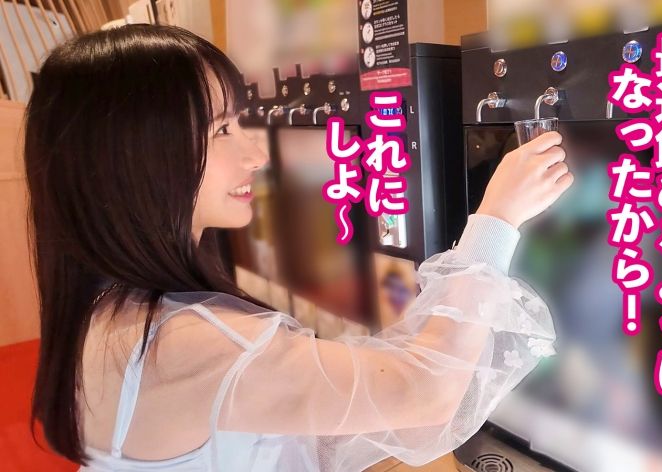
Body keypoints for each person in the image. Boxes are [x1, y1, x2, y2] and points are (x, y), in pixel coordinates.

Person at [24, 25, 574, 471]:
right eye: (221, 131)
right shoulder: (182, 344)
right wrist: (496, 220)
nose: (255, 155)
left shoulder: (105, 309)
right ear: (136, 159)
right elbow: (425, 393)